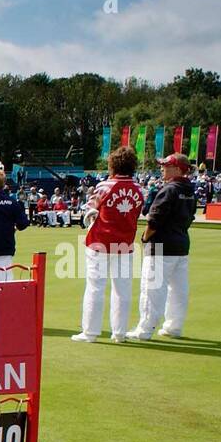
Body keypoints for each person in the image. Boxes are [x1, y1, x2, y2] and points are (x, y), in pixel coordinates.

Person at [73, 146, 144, 343]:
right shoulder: (139, 189)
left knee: (95, 287)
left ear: (113, 165)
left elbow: (89, 208)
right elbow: (136, 214)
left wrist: (90, 217)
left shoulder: (105, 186)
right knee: (123, 289)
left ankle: (90, 332)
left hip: (100, 243)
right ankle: (119, 333)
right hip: (126, 244)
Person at [130, 153, 195, 341]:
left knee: (152, 289)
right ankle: (174, 326)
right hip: (181, 244)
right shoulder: (189, 190)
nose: (162, 168)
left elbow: (154, 219)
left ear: (177, 169)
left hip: (160, 246)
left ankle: (144, 329)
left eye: (166, 166)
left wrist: (144, 237)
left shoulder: (169, 190)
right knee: (178, 290)